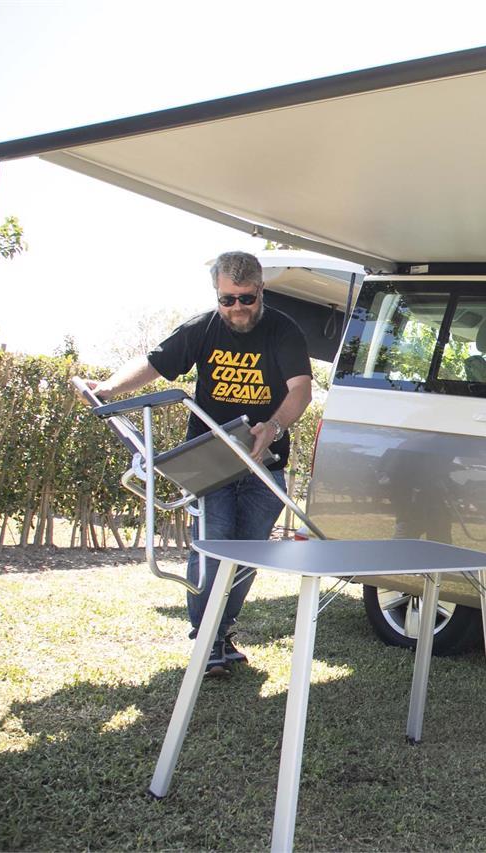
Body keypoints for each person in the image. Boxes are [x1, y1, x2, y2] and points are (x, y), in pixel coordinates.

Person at [84, 251, 312, 676]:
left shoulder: (284, 330)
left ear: (260, 290)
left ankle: (221, 634)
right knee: (212, 545)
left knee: (245, 557)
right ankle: (204, 640)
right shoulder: (201, 329)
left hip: (264, 462)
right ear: (217, 294)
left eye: (246, 298)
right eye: (228, 300)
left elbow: (300, 389)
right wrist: (108, 388)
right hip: (210, 462)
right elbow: (155, 364)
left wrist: (274, 426)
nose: (237, 309)